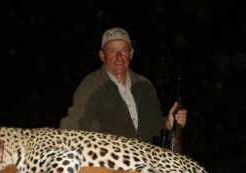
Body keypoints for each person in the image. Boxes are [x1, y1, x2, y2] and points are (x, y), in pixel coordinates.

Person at [59, 27, 187, 144]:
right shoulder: (91, 85)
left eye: (124, 50)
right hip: (109, 162)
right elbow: (71, 126)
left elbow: (153, 125)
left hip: (144, 159)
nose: (119, 57)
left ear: (131, 54)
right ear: (102, 55)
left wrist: (168, 123)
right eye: (112, 51)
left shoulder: (145, 86)